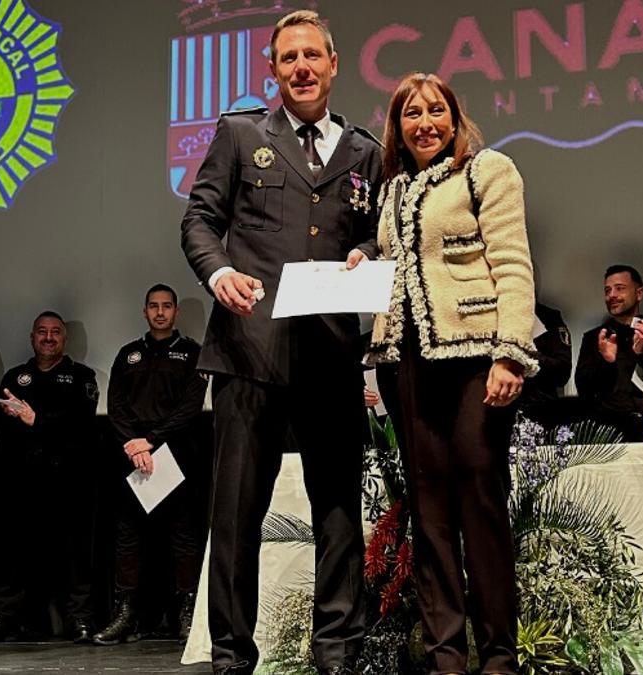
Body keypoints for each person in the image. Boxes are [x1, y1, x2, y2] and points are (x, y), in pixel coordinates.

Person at [179, 10, 383, 674]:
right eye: (288, 57)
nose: (301, 67)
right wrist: (219, 271)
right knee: (236, 517)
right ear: (272, 68)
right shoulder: (241, 135)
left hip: (329, 356)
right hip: (249, 353)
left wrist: (365, 251)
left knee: (339, 516)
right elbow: (200, 220)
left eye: (311, 56)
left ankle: (337, 651)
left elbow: (375, 233)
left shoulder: (364, 150)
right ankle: (232, 655)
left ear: (333, 63)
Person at [366, 72, 538, 675]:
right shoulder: (391, 190)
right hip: (405, 365)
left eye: (435, 110)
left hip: (475, 358)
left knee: (480, 498)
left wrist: (511, 352)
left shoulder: (488, 170)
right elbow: (391, 268)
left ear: (455, 116)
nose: (424, 123)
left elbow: (513, 261)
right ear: (398, 126)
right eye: (411, 114)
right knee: (429, 509)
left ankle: (498, 656)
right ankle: (446, 657)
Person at [0, 311, 98, 644]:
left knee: (72, 556)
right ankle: (5, 619)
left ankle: (81, 621)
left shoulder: (81, 376)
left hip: (66, 480)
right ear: (32, 337)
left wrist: (34, 419)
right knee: (11, 555)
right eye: (42, 331)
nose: (49, 337)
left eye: (56, 331)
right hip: (19, 480)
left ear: (64, 338)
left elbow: (78, 425)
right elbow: (1, 424)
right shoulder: (16, 376)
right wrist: (17, 418)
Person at [94, 285, 207, 646]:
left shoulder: (191, 353)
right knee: (129, 538)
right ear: (144, 312)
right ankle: (126, 615)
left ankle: (187, 616)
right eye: (153, 307)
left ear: (176, 312)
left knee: (183, 538)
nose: (160, 312)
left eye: (167, 306)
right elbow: (117, 405)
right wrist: (135, 445)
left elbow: (190, 407)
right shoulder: (129, 354)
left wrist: (153, 440)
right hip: (133, 459)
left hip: (176, 457)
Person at [574, 265, 643, 441]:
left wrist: (642, 353)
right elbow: (584, 390)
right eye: (607, 290)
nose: (612, 295)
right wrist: (606, 361)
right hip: (607, 434)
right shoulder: (595, 337)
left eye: (620, 288)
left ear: (639, 294)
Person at [518, 302, 573, 425]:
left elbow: (562, 373)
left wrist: (529, 354)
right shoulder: (492, 317)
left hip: (541, 408)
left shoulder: (549, 318)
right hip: (499, 409)